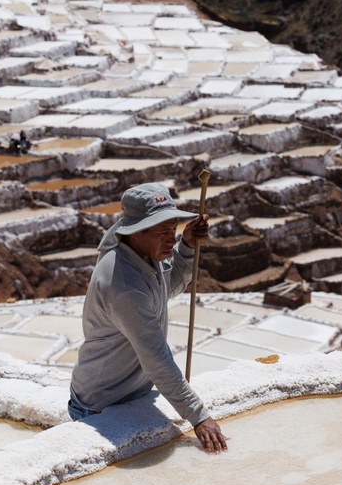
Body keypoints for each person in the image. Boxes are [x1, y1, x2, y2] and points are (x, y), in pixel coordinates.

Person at [68, 182, 228, 453]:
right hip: (100, 406)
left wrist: (187, 246)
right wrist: (199, 416)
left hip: (130, 395)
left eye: (173, 230)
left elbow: (169, 286)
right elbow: (156, 358)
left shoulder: (144, 255)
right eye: (162, 232)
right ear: (136, 233)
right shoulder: (124, 284)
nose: (171, 239)